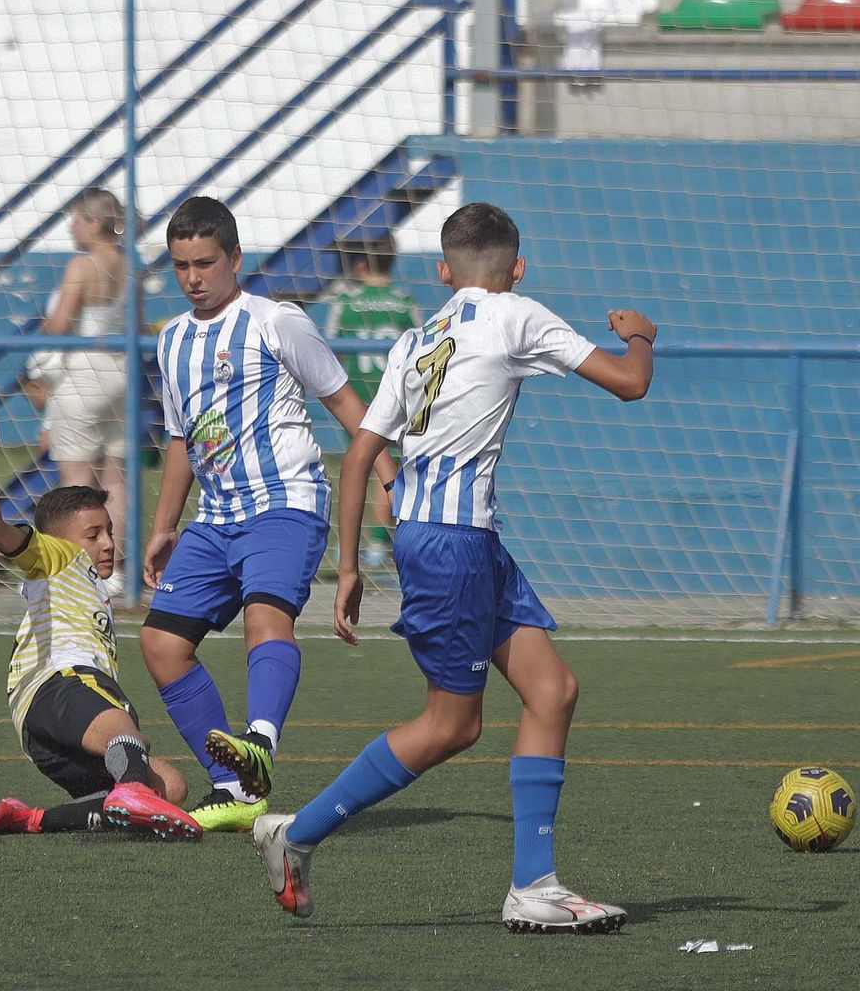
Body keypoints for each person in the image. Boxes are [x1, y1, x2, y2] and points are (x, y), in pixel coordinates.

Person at [252, 203, 654, 932]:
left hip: (456, 541)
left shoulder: (416, 340)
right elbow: (629, 383)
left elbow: (360, 459)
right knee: (451, 725)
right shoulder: (517, 314)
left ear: (443, 271)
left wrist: (348, 568)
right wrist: (641, 338)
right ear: (517, 267)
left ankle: (535, 885)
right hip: (453, 545)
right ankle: (298, 832)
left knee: (553, 690)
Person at [140, 197, 399, 833]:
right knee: (161, 644)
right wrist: (165, 525)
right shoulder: (171, 340)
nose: (194, 277)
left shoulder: (278, 322)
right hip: (215, 514)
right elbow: (181, 439)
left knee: (265, 620)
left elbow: (345, 403)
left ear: (235, 259)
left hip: (285, 501)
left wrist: (388, 477)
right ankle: (234, 787)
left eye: (205, 262)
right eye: (181, 266)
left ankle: (258, 743)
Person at [0, 420, 198, 840]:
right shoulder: (57, 558)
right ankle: (129, 786)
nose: (108, 543)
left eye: (109, 531)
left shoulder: (87, 583)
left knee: (171, 787)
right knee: (125, 734)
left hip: (38, 728)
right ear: (57, 541)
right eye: (93, 535)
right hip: (61, 684)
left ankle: (33, 819)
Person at [26, 188, 130, 545]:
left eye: (76, 220)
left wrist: (39, 328)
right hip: (122, 376)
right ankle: (115, 570)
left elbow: (59, 324)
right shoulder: (132, 269)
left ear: (94, 222)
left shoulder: (82, 266)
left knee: (76, 485)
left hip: (86, 375)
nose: (71, 227)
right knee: (115, 479)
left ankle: (80, 570)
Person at [326, 237, 421, 569]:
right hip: (394, 399)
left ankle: (349, 545)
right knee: (390, 468)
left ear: (361, 265)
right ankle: (382, 543)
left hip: (358, 397)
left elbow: (332, 351)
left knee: (358, 465)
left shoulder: (346, 301)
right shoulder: (404, 302)